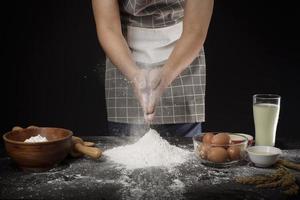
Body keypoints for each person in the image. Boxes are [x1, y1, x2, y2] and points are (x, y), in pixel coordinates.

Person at [92, 0, 214, 137]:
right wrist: (135, 76)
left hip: (183, 54)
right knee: (126, 150)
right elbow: (108, 27)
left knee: (185, 150)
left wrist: (166, 75)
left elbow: (195, 29)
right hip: (123, 56)